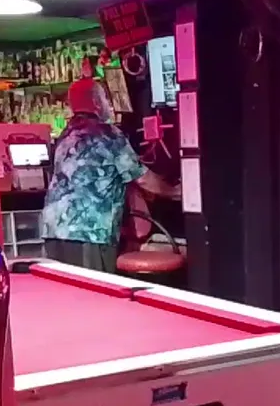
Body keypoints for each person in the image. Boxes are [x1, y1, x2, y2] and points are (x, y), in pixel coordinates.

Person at [41, 78, 180, 271]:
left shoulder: (66, 134)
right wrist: (176, 191)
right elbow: (143, 179)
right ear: (97, 102)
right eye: (106, 98)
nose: (109, 104)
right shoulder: (107, 133)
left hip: (54, 230)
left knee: (66, 288)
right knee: (92, 288)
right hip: (88, 232)